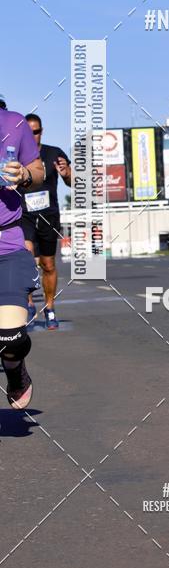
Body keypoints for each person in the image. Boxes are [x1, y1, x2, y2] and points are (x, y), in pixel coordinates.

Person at [0, 105, 44, 409]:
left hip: (7, 244)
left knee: (11, 340)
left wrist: (26, 174)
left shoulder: (13, 123)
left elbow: (38, 172)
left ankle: (15, 374)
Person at [19, 114, 71, 330]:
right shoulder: (17, 155)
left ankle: (49, 307)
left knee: (47, 265)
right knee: (27, 260)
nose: (33, 136)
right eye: (29, 133)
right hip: (24, 215)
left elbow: (72, 181)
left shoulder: (54, 153)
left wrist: (67, 173)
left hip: (48, 216)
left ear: (42, 131)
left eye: (36, 131)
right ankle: (29, 304)